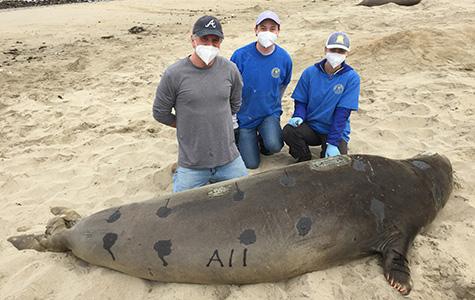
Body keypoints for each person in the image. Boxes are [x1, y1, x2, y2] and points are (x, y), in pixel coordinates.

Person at [153, 15, 248, 193]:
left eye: (215, 40)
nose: (209, 45)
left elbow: (235, 104)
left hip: (229, 158)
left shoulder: (230, 69)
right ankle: (178, 173)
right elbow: (160, 112)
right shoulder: (174, 74)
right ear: (193, 40)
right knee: (179, 206)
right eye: (204, 39)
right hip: (192, 163)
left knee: (247, 194)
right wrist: (183, 123)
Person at [283, 31, 360, 161]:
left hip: (334, 129)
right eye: (333, 49)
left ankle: (328, 148)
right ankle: (304, 158)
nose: (336, 53)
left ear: (347, 53)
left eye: (341, 51)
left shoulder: (352, 78)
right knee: (289, 131)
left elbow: (343, 112)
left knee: (336, 163)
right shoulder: (310, 72)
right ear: (325, 49)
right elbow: (301, 100)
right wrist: (299, 115)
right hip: (312, 126)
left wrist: (333, 142)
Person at [230, 11, 293, 169]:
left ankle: (264, 139)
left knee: (274, 146)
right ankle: (248, 140)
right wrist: (233, 117)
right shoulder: (240, 56)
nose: (267, 32)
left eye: (272, 28)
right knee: (251, 164)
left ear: (278, 31)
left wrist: (275, 106)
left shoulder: (284, 58)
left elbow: (284, 84)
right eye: (263, 28)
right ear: (256, 30)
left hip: (268, 113)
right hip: (245, 117)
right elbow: (231, 87)